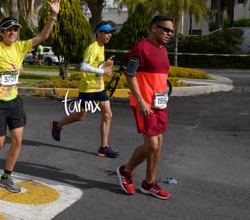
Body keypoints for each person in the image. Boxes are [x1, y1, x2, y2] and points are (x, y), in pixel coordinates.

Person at [0, 0, 61, 193]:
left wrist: (53, 15)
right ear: (2, 32)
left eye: (15, 29)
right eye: (9, 29)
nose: (13, 32)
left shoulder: (21, 47)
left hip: (15, 102)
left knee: (18, 140)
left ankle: (6, 177)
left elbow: (42, 37)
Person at [116, 15, 174, 200]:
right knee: (151, 144)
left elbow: (160, 76)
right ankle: (126, 171)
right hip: (145, 104)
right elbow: (130, 75)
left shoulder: (163, 50)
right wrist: (140, 100)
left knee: (158, 145)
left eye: (171, 31)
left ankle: (149, 183)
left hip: (159, 104)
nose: (168, 33)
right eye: (165, 29)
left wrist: (163, 94)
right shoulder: (141, 49)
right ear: (154, 28)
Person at [50, 21, 119, 158]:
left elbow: (95, 68)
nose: (109, 35)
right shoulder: (93, 48)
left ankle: (103, 147)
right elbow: (84, 67)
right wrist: (103, 70)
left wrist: (105, 66)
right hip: (88, 88)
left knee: (107, 114)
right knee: (80, 116)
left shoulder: (101, 47)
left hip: (99, 88)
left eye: (110, 32)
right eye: (106, 32)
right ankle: (57, 125)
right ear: (98, 33)